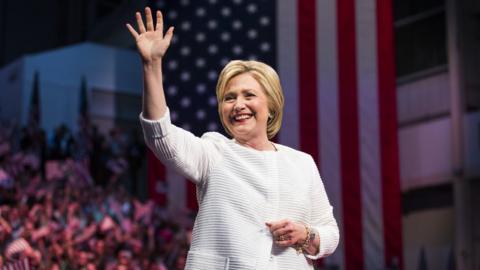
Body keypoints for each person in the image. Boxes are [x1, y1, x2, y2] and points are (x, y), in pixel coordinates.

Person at [126, 7, 339, 269]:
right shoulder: (214, 152)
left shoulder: (302, 163)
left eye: (249, 95)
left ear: (271, 105)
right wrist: (151, 65)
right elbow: (161, 136)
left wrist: (306, 235)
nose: (238, 104)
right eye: (229, 98)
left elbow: (330, 233)